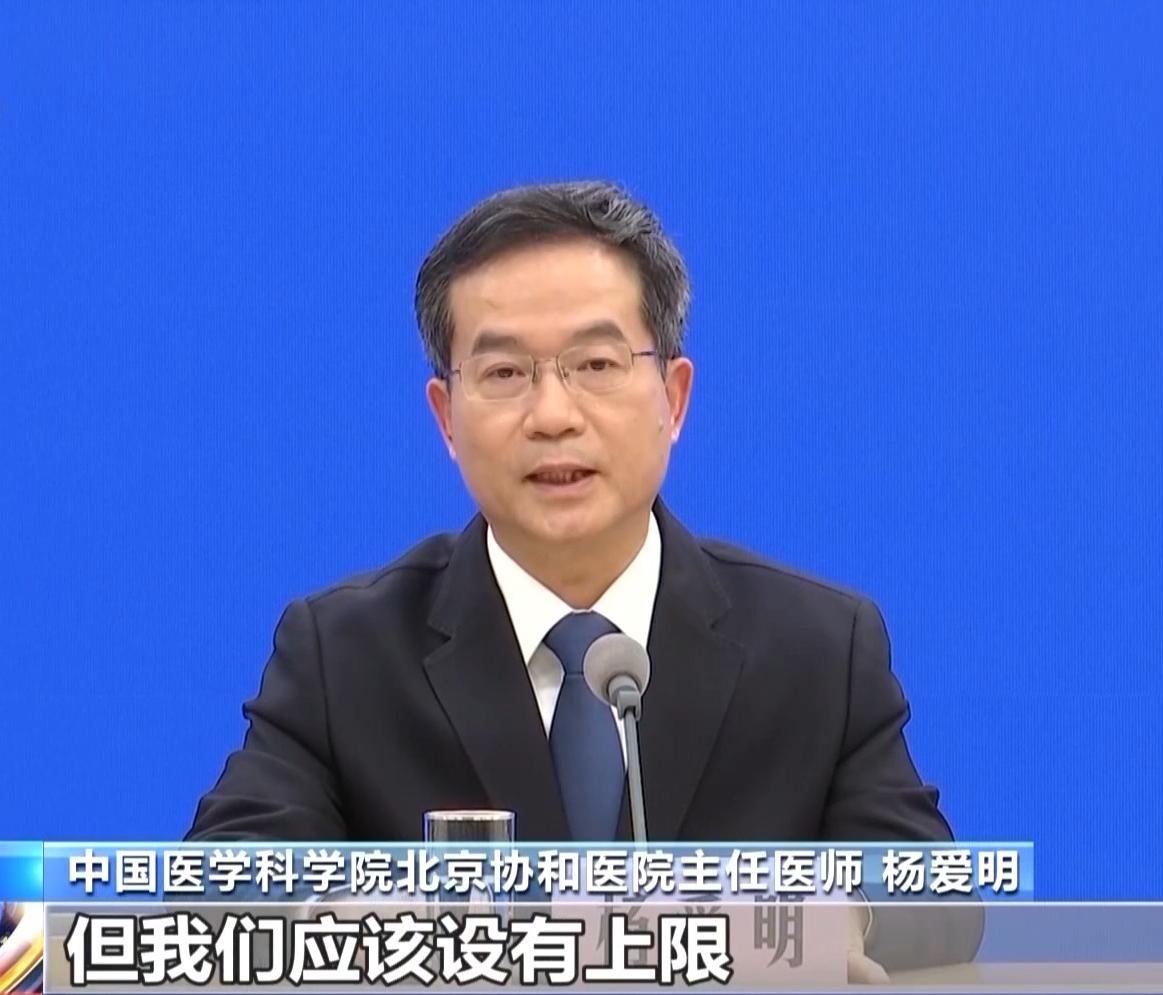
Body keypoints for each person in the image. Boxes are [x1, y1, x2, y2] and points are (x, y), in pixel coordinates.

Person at [186, 180, 982, 976]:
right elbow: (218, 886)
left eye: (595, 363)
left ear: (673, 398)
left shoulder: (817, 646)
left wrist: (826, 919)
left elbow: (936, 895)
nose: (552, 414)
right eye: (504, 372)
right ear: (446, 418)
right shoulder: (345, 652)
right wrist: (351, 923)